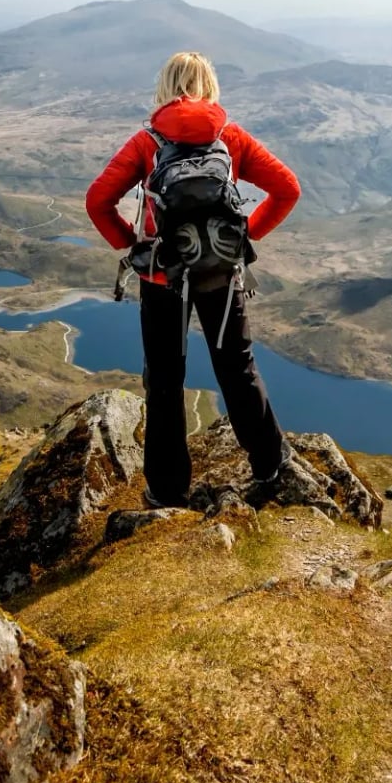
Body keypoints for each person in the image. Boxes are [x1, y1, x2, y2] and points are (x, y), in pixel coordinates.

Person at [85, 51, 302, 507]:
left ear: (164, 88)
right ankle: (270, 466)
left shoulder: (147, 142)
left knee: (164, 380)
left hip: (163, 277)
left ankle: (166, 491)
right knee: (237, 368)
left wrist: (132, 245)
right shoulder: (231, 137)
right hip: (221, 276)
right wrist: (242, 239)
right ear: (210, 86)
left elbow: (98, 200)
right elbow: (287, 189)